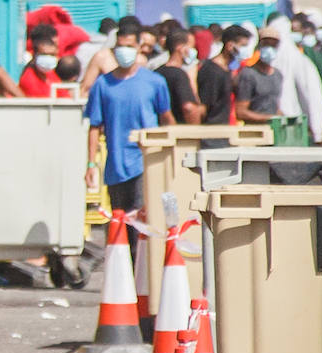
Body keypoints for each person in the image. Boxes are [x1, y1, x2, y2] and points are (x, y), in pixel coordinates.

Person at [84, 21, 175, 253]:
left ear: (139, 48)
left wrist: (173, 151)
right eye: (120, 47)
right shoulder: (103, 85)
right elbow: (94, 125)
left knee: (141, 219)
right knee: (119, 222)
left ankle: (142, 276)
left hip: (146, 161)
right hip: (116, 164)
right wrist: (91, 163)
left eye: (129, 46)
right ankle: (123, 271)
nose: (125, 51)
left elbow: (167, 118)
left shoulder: (154, 82)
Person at [268, 15, 322, 142]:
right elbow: (313, 96)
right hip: (277, 124)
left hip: (293, 124)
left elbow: (311, 95)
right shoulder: (273, 60)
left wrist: (317, 131)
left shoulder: (298, 60)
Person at [155, 26, 204, 125]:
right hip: (177, 131)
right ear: (180, 48)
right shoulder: (179, 75)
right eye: (190, 46)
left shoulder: (156, 72)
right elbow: (189, 108)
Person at [234, 27, 283, 124]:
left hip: (274, 131)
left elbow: (275, 106)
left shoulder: (278, 75)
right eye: (266, 44)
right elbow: (240, 112)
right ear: (260, 45)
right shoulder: (248, 74)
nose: (270, 48)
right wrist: (269, 118)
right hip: (255, 132)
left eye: (273, 45)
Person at [196, 32, 236, 139]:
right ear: (230, 45)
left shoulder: (228, 69)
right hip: (212, 134)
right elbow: (203, 107)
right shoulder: (212, 71)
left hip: (225, 131)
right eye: (243, 45)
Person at [18, 24, 63, 98]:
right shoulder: (29, 79)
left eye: (52, 55)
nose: (49, 58)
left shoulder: (51, 74)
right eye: (45, 54)